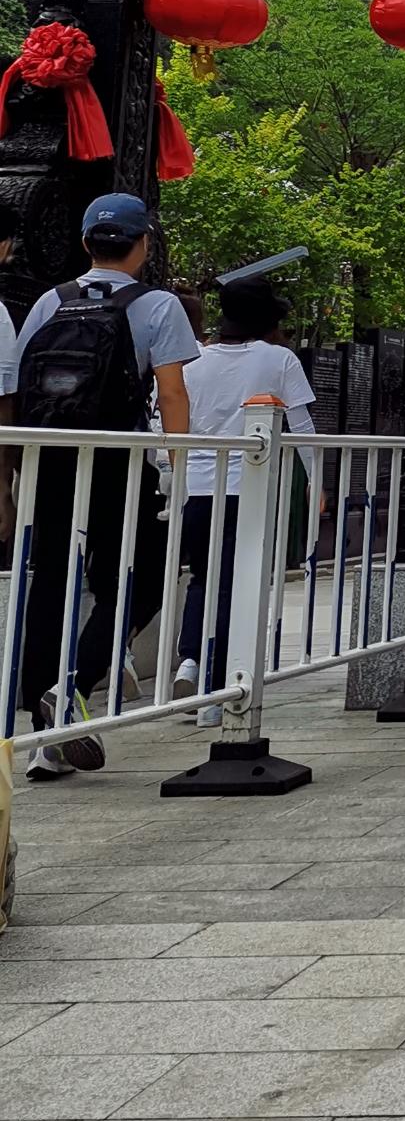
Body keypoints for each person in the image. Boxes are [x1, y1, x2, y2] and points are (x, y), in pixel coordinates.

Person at [2, 194, 198, 781]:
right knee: (143, 576)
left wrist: (13, 474)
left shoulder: (50, 301)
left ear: (86, 242)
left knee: (51, 582)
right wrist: (178, 465)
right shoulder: (158, 304)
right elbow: (171, 392)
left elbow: (19, 386)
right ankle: (72, 690)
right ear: (143, 245)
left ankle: (43, 738)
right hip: (119, 460)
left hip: (51, 460)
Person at [172, 278, 317, 728]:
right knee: (235, 585)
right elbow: (302, 425)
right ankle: (217, 691)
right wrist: (316, 481)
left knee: (203, 577)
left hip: (197, 486)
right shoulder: (278, 359)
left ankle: (190, 660)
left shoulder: (192, 361)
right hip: (248, 486)